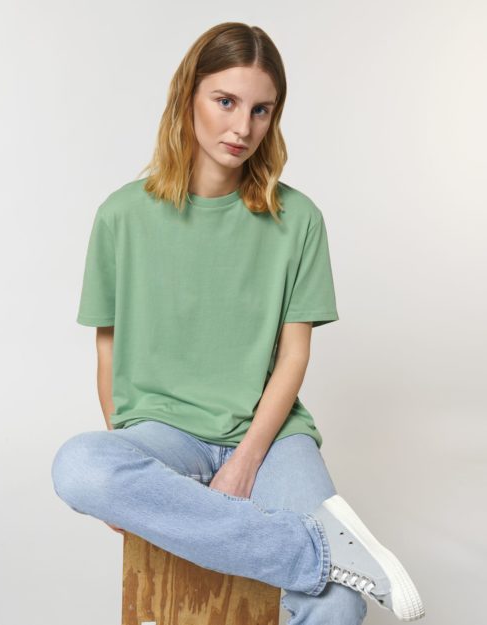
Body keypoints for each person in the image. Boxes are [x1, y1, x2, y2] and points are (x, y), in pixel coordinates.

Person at [51, 21, 425, 624]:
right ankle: (320, 552)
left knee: (339, 604)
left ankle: (323, 561)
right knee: (80, 466)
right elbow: (108, 348)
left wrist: (246, 459)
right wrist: (129, 479)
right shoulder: (121, 215)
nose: (242, 128)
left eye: (260, 110)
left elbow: (294, 356)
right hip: (163, 430)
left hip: (271, 436)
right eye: (225, 101)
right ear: (188, 97)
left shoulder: (298, 219)